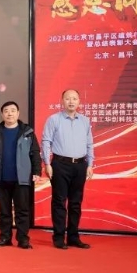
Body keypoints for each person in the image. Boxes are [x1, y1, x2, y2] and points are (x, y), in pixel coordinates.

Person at [0, 101, 41, 249]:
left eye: (13, 110)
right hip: (1, 177)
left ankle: (23, 239)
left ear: (18, 113)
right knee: (4, 211)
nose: (10, 114)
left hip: (22, 178)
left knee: (22, 210)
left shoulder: (27, 132)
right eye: (6, 111)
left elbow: (35, 153)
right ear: (2, 114)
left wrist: (36, 171)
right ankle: (5, 237)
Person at [41, 89, 94, 250]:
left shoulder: (85, 121)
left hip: (80, 165)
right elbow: (46, 142)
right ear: (62, 101)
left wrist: (90, 164)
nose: (71, 101)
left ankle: (73, 237)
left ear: (79, 101)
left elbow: (89, 144)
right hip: (60, 164)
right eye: (68, 98)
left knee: (76, 203)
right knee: (59, 201)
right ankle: (58, 237)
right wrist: (47, 163)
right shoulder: (54, 119)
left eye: (74, 99)